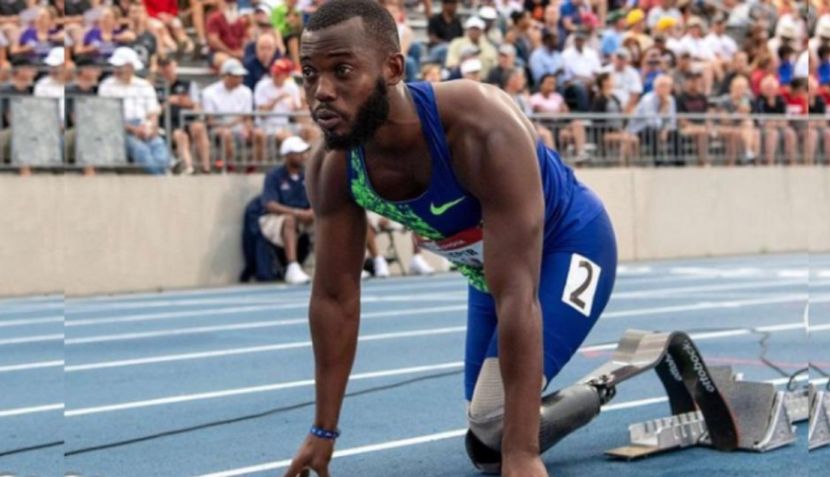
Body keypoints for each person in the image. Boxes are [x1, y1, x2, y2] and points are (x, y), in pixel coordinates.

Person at [283, 2, 618, 476]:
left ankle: (610, 380)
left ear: (393, 68)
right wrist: (323, 431)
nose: (322, 93)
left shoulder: (480, 127)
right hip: (488, 269)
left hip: (570, 243)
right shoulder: (333, 165)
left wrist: (523, 455)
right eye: (309, 74)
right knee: (486, 438)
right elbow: (335, 298)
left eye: (342, 71)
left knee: (500, 430)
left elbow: (519, 296)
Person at [99, 47, 172, 174]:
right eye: (116, 66)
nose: (117, 70)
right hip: (120, 129)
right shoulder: (106, 86)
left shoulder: (144, 85)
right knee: (140, 150)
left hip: (144, 125)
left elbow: (153, 112)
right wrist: (133, 129)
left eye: (121, 66)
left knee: (159, 146)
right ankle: (161, 181)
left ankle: (162, 176)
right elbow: (110, 117)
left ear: (131, 67)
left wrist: (149, 127)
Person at [259, 135, 314, 284]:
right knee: (289, 221)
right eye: (299, 153)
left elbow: (317, 198)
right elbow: (269, 204)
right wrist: (297, 213)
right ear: (287, 156)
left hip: (303, 217)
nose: (304, 156)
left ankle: (335, 266)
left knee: (326, 222)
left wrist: (313, 211)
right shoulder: (274, 175)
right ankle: (292, 267)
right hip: (274, 218)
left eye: (305, 152)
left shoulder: (308, 174)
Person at [202, 58, 266, 164]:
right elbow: (210, 120)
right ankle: (230, 166)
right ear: (225, 76)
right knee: (226, 134)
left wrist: (248, 127)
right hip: (218, 128)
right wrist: (230, 125)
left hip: (240, 128)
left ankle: (254, 166)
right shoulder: (209, 92)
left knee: (259, 134)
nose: (240, 79)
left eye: (240, 76)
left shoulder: (246, 92)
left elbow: (248, 118)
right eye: (236, 76)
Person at [155, 54, 211, 174]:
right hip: (168, 123)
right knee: (181, 136)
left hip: (187, 119)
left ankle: (206, 168)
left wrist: (182, 101)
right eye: (163, 66)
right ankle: (189, 167)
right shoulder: (156, 87)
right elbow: (154, 109)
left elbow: (196, 105)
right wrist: (168, 102)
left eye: (169, 65)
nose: (167, 69)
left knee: (199, 127)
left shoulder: (188, 85)